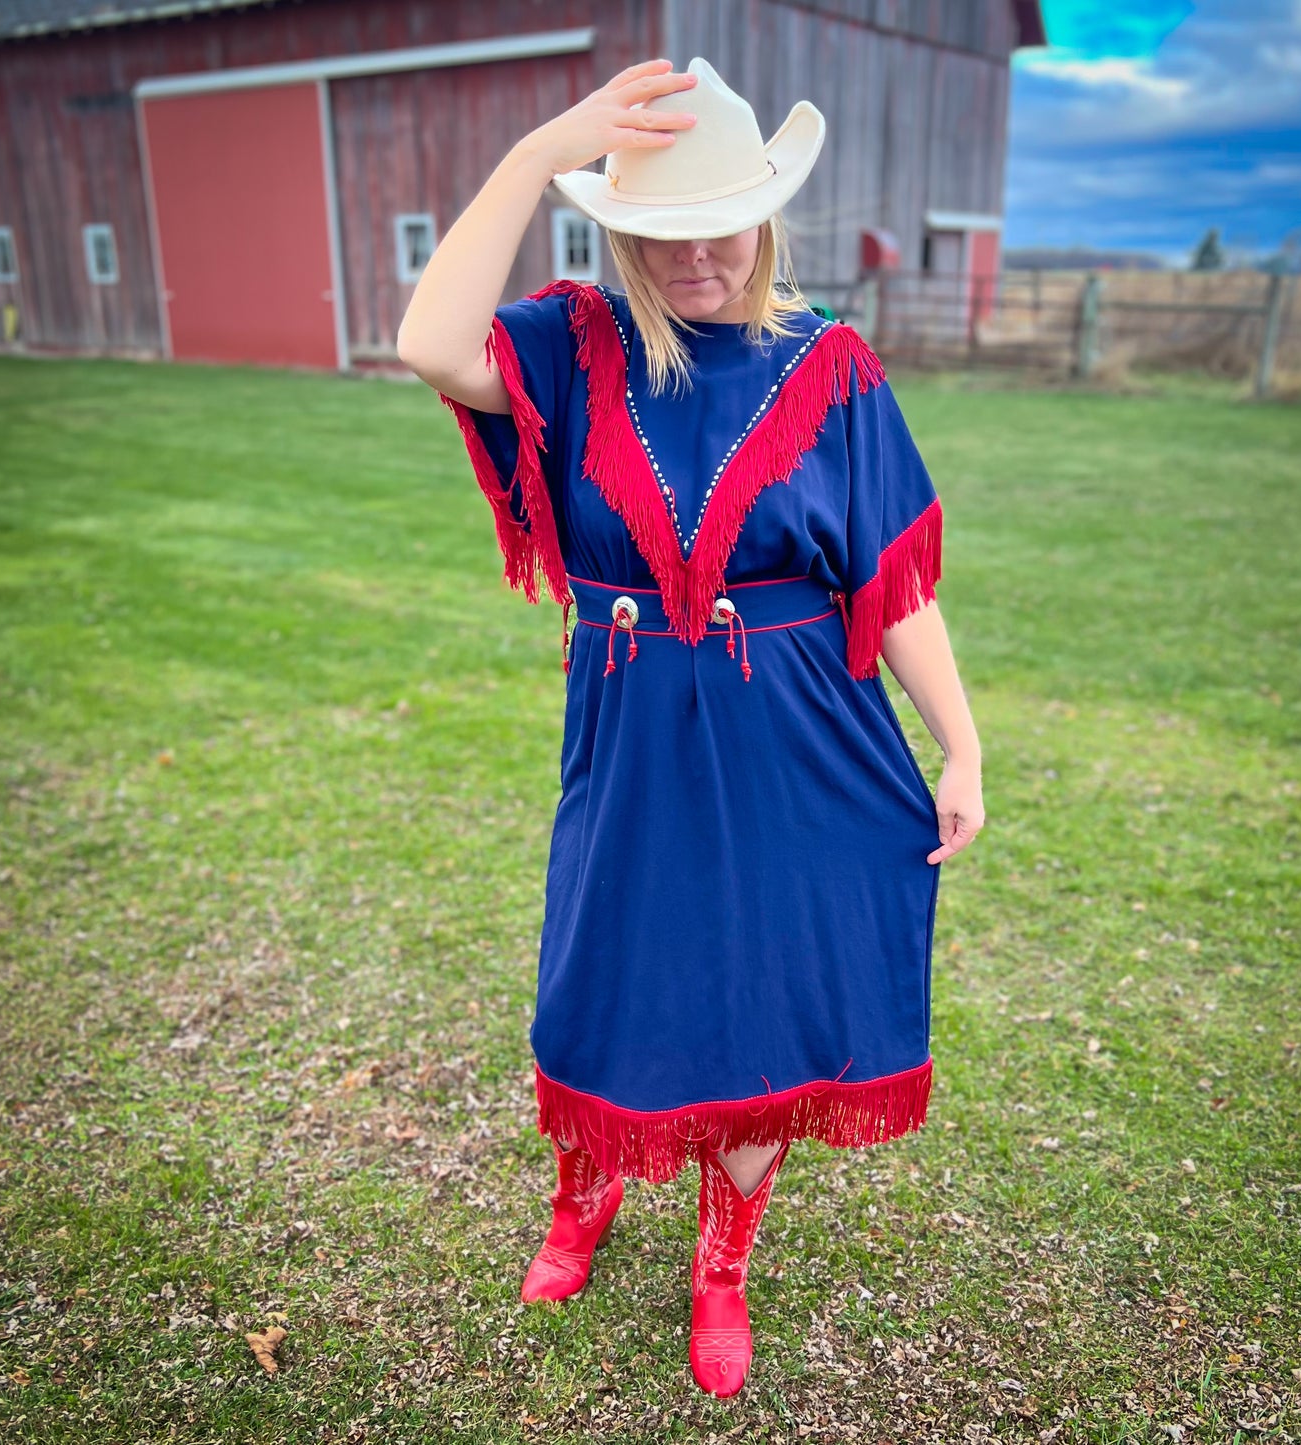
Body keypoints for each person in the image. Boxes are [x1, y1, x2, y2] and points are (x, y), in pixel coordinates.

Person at [397, 56, 985, 1398]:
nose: (698, 252)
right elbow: (430, 343)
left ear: (767, 215)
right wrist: (535, 153)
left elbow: (893, 582)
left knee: (766, 1003)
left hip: (802, 742)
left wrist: (959, 745)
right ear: (620, 232)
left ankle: (721, 1259)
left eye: (723, 219)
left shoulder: (830, 367)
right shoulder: (570, 344)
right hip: (635, 737)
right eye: (662, 230)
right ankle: (585, 1190)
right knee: (602, 985)